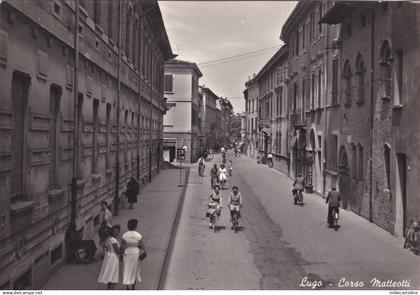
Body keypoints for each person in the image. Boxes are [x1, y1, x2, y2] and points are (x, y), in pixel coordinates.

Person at [121, 219, 146, 290]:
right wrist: (137, 246)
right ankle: (133, 287)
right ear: (135, 226)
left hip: (127, 253)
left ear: (128, 226)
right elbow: (143, 246)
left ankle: (127, 287)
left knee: (127, 269)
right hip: (136, 254)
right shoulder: (138, 235)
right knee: (134, 270)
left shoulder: (124, 235)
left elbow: (122, 247)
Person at [98, 225, 121, 290]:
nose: (117, 233)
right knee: (113, 277)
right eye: (115, 231)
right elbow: (118, 251)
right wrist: (124, 248)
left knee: (111, 275)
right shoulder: (113, 240)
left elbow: (106, 248)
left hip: (109, 257)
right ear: (112, 232)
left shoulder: (108, 239)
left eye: (118, 231)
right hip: (113, 258)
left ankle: (109, 289)